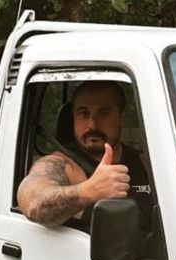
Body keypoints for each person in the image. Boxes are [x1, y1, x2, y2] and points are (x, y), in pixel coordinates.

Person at [17, 81, 153, 229]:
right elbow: (33, 204)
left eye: (104, 113)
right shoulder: (61, 163)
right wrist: (89, 190)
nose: (93, 125)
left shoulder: (144, 163)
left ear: (122, 117)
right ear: (73, 117)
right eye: (83, 113)